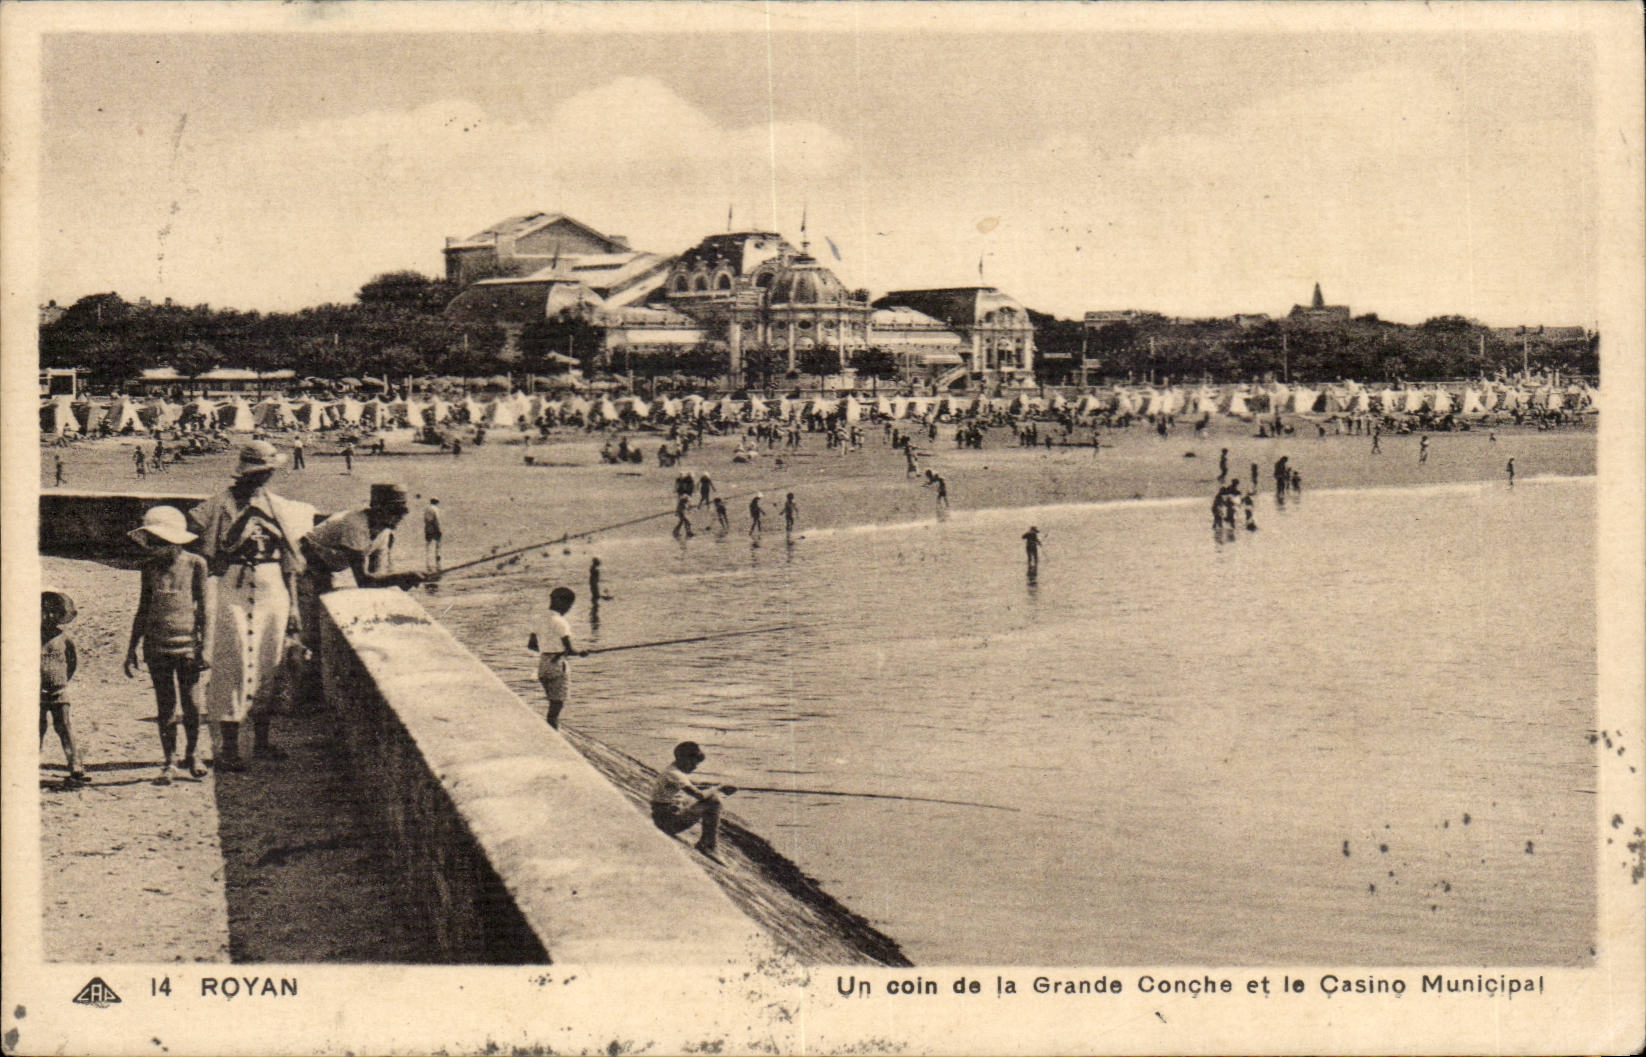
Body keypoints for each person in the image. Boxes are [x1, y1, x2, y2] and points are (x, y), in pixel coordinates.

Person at [187, 441, 312, 770]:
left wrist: (295, 607)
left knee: (269, 660)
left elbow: (290, 562)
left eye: (268, 472)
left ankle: (261, 741)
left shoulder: (279, 506)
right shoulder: (217, 507)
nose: (266, 477)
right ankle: (228, 747)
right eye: (262, 472)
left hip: (272, 586)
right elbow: (201, 552)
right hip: (233, 584)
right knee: (233, 660)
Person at [123, 506, 212, 783]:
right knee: (165, 705)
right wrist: (131, 648)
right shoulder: (148, 567)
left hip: (188, 645)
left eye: (160, 541)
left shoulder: (196, 564)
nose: (155, 547)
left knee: (192, 703)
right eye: (153, 541)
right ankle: (169, 760)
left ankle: (193, 753)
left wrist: (205, 647)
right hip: (156, 645)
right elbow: (143, 607)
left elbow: (205, 609)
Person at [649, 741, 735, 862]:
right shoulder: (675, 774)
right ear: (684, 759)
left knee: (709, 797)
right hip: (668, 824)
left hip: (664, 817)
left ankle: (707, 843)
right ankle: (709, 845)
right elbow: (700, 795)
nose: (695, 767)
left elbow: (691, 787)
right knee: (714, 801)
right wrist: (719, 789)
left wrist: (711, 786)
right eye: (694, 763)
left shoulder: (672, 770)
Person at [41, 589, 87, 788]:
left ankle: (75, 764)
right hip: (35, 694)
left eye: (54, 612)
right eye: (45, 611)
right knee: (36, 729)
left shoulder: (64, 639)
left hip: (59, 691)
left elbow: (72, 662)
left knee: (64, 727)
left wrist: (62, 681)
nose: (49, 616)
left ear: (61, 615)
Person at [527, 586, 586, 729]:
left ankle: (552, 725)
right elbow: (570, 650)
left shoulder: (538, 619)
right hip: (557, 665)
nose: (568, 609)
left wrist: (548, 648)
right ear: (563, 603)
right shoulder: (561, 622)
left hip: (543, 664)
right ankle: (553, 730)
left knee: (552, 701)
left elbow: (532, 646)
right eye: (569, 606)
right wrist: (581, 652)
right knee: (557, 703)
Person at [423, 497, 443, 573]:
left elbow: (425, 519)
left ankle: (428, 561)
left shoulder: (427, 509)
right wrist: (439, 529)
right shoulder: (435, 509)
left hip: (427, 528)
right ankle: (438, 560)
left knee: (428, 545)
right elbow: (437, 520)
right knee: (438, 544)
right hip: (434, 528)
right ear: (437, 502)